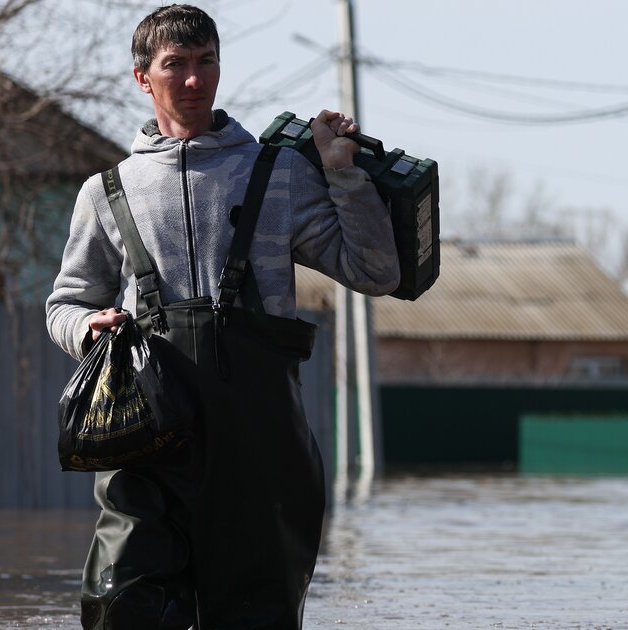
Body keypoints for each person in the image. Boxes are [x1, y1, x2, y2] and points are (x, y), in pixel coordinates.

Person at [45, 5, 399, 628]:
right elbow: (64, 303)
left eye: (205, 62)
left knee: (256, 617)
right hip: (145, 441)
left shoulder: (278, 173)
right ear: (142, 78)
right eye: (174, 65)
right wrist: (83, 328)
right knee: (122, 608)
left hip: (260, 448)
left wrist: (343, 174)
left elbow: (375, 272)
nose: (192, 79)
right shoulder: (107, 191)